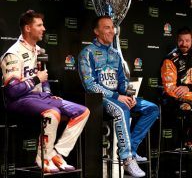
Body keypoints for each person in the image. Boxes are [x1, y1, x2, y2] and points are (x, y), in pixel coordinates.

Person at [0, 10, 90, 173]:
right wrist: (36, 79)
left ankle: (57, 152)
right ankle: (43, 156)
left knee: (82, 111)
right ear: (28, 28)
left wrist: (47, 94)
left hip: (39, 98)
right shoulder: (13, 54)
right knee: (52, 112)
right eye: (39, 25)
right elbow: (11, 91)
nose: (44, 28)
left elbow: (45, 78)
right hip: (18, 101)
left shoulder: (38, 51)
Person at [78, 15, 159, 177]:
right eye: (106, 27)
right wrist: (117, 97)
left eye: (112, 27)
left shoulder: (115, 54)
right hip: (99, 100)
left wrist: (129, 94)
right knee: (121, 109)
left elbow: (123, 81)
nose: (111, 31)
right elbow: (90, 86)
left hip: (117, 97)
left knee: (152, 109)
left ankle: (132, 149)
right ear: (96, 31)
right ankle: (127, 159)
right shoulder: (87, 53)